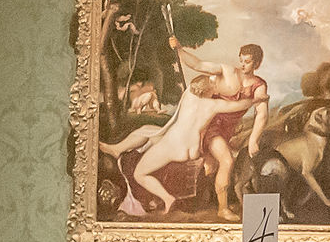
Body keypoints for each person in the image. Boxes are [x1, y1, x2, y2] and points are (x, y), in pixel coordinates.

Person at [110, 40, 268, 217]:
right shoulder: (227, 71)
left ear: (257, 63)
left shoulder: (259, 85)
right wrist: (179, 49)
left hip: (223, 130)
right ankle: (223, 209)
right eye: (241, 60)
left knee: (207, 164)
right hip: (211, 128)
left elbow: (261, 115)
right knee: (227, 161)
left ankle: (175, 193)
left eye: (247, 62)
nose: (242, 65)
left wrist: (254, 139)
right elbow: (197, 64)